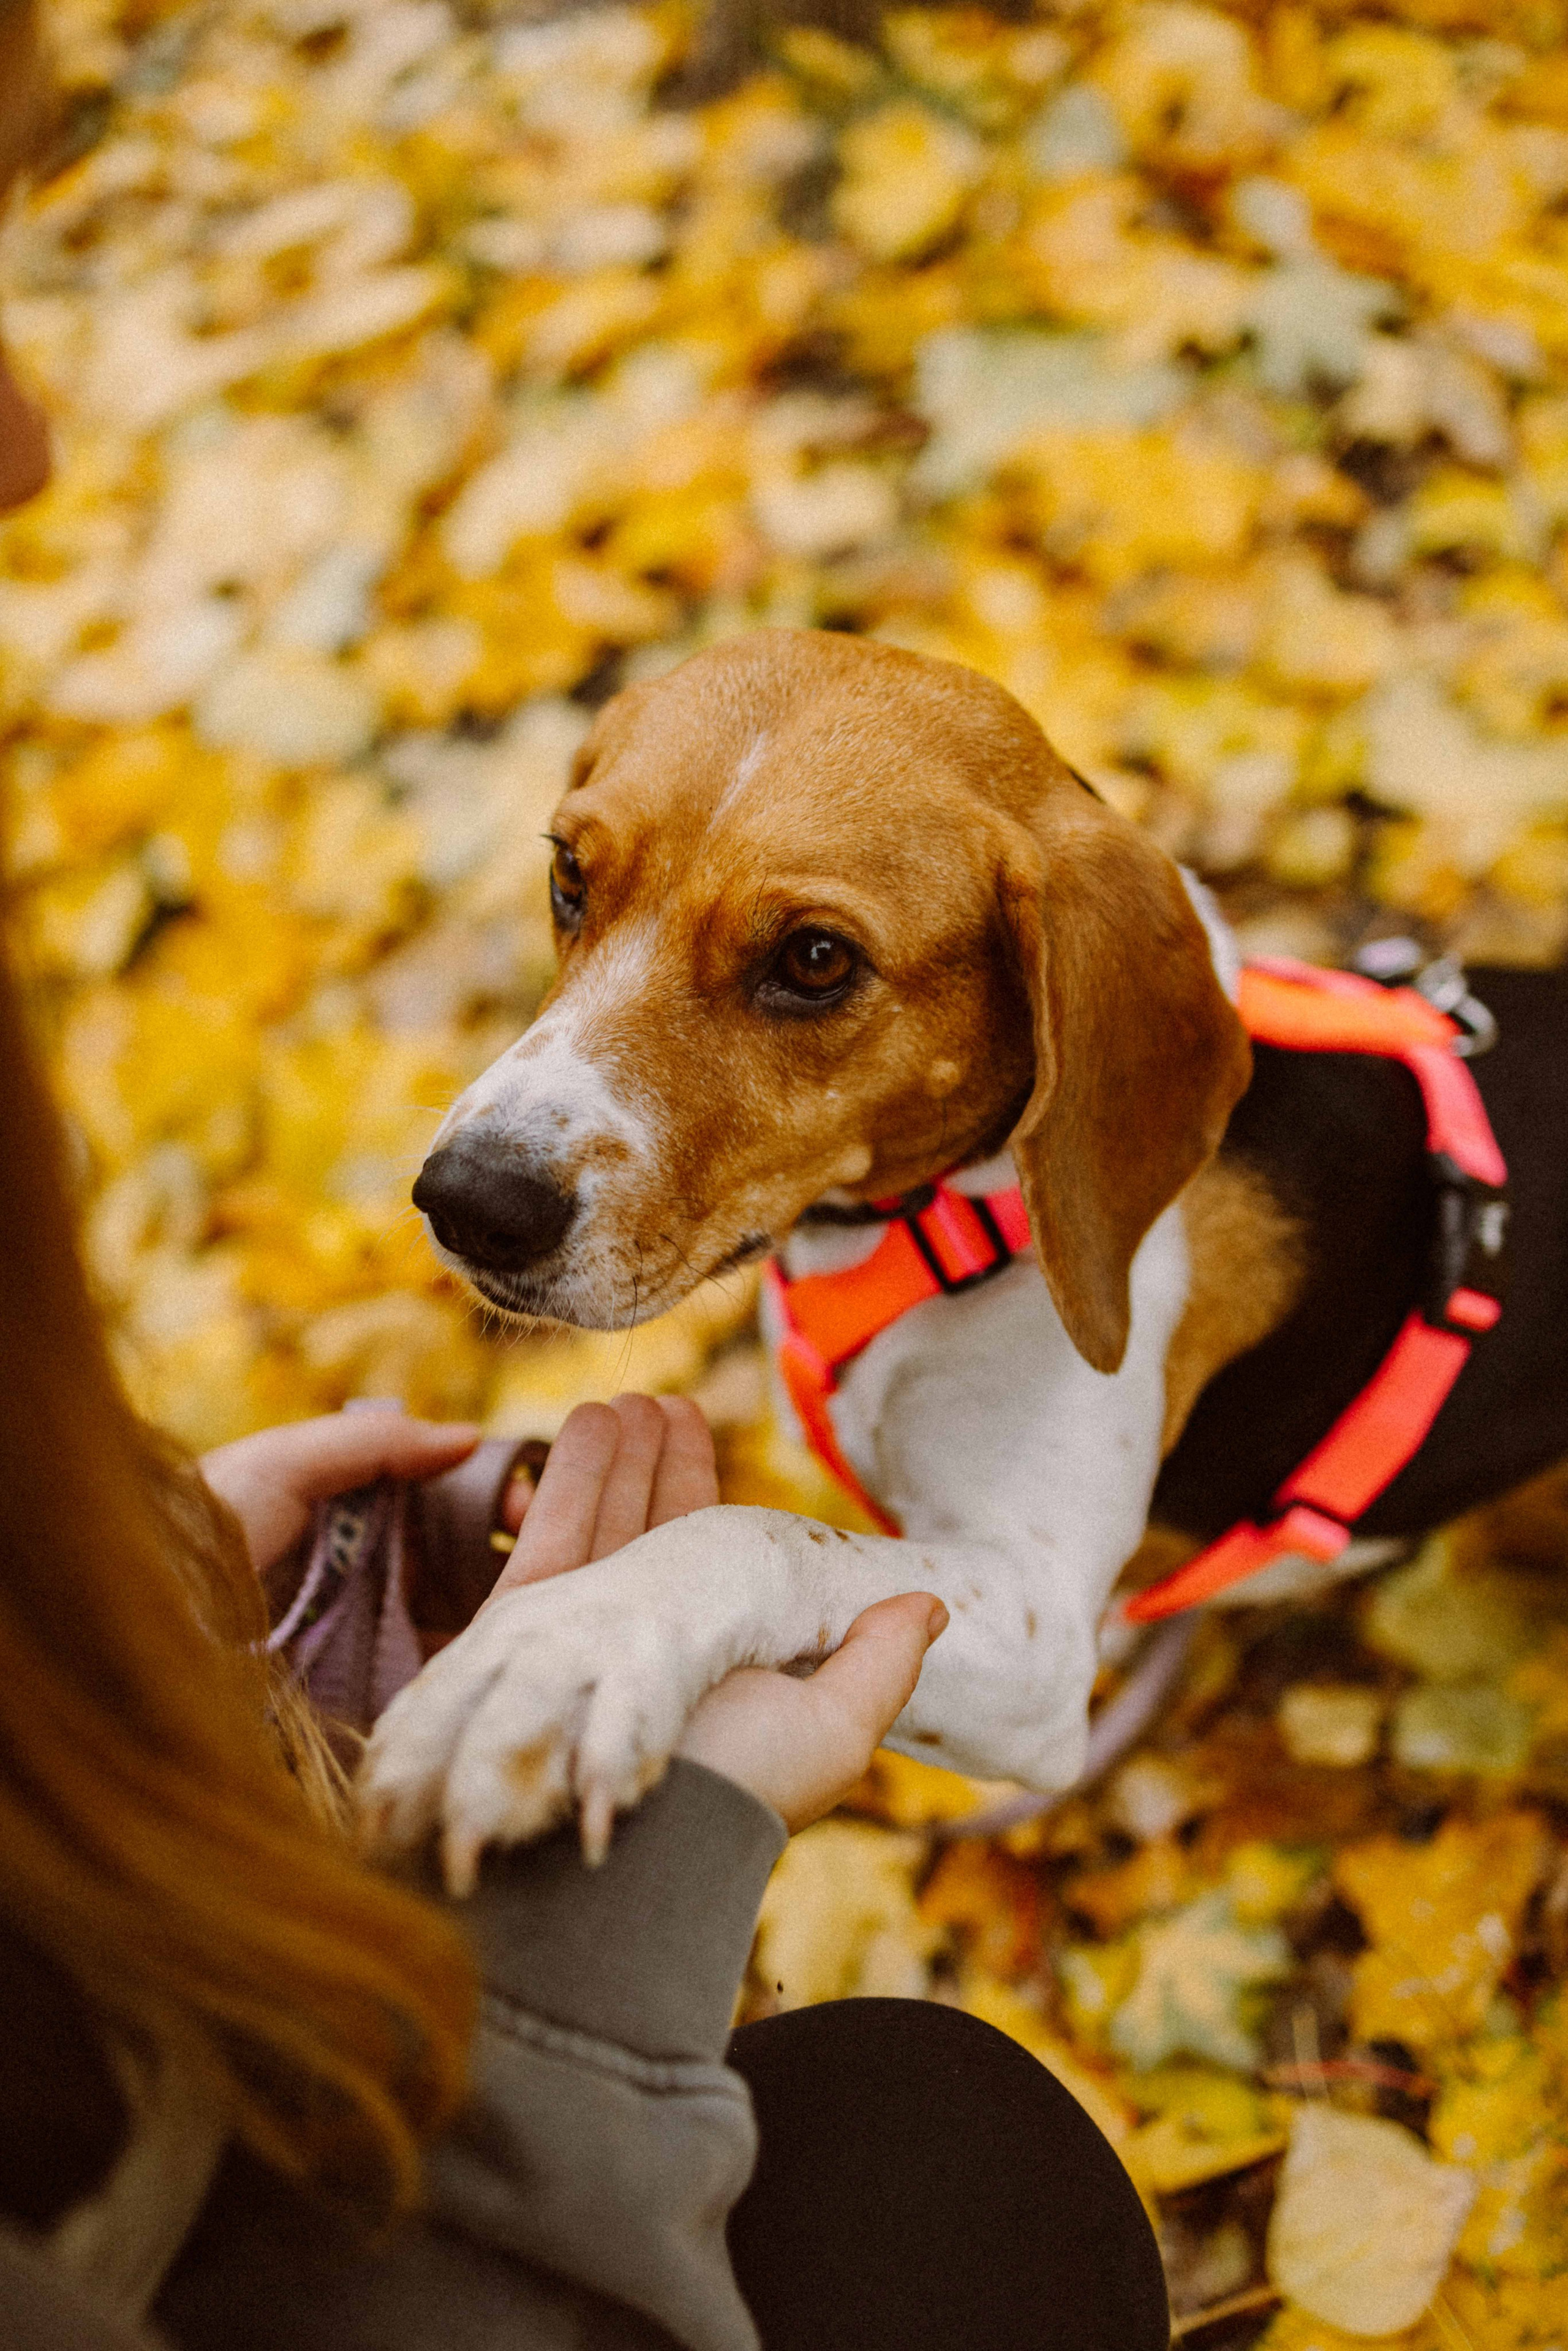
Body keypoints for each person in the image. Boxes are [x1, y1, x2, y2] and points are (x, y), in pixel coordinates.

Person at [0, 7, 1170, 2343]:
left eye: (804, 969)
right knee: (968, 2157)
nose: (515, 1130)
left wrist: (142, 1598)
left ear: (1065, 1027)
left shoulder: (1118, 1067)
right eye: (581, 891)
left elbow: (1028, 1683)